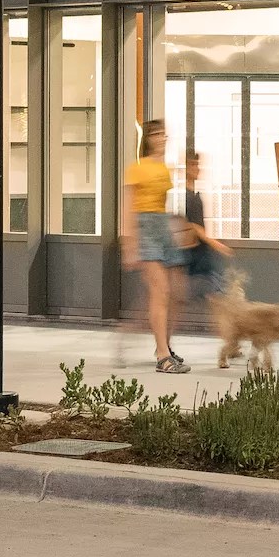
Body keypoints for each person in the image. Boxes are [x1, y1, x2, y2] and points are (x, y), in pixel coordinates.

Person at [119, 121, 187, 373]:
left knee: (177, 292)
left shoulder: (163, 168)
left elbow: (164, 204)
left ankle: (165, 346)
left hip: (162, 227)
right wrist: (130, 245)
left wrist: (175, 231)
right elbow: (128, 208)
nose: (162, 138)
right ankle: (162, 355)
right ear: (147, 139)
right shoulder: (136, 169)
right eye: (156, 134)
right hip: (144, 226)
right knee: (159, 291)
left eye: (163, 134)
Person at [175, 147, 234, 329]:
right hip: (195, 253)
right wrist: (216, 244)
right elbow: (193, 227)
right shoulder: (186, 196)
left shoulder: (193, 195)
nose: (197, 169)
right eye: (193, 165)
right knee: (217, 294)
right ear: (185, 168)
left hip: (199, 251)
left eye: (198, 164)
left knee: (217, 295)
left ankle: (230, 338)